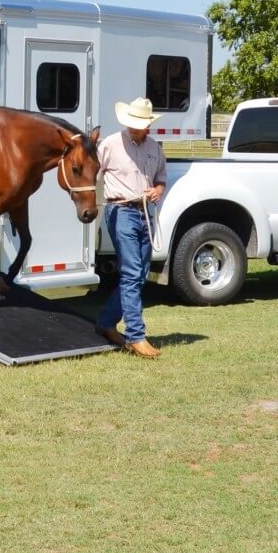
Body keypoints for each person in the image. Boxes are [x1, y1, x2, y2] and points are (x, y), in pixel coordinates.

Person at [94, 96, 167, 358]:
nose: (136, 128)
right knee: (133, 272)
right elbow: (92, 173)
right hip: (121, 210)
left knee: (140, 273)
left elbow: (161, 179)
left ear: (148, 125)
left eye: (141, 124)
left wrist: (158, 190)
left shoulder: (155, 148)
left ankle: (105, 323)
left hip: (146, 211)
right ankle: (136, 335)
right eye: (133, 123)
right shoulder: (110, 145)